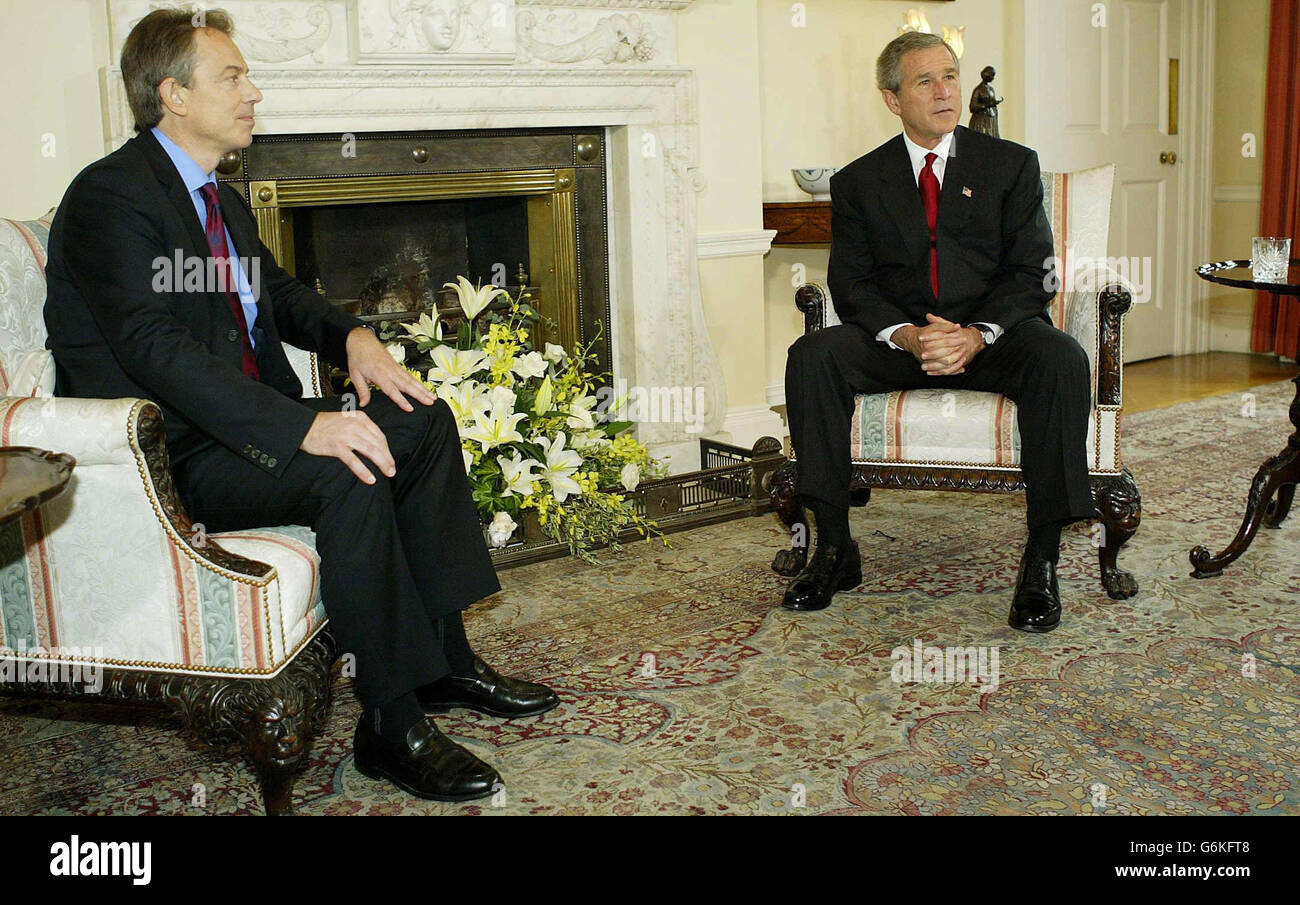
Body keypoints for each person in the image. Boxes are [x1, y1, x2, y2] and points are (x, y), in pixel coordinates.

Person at [43, 7, 557, 802]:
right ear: (173, 94)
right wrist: (305, 425)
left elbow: (274, 294)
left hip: (242, 426)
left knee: (422, 422)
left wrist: (352, 337)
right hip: (171, 453)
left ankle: (445, 662)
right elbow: (154, 348)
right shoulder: (110, 197)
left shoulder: (217, 196)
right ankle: (390, 722)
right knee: (345, 465)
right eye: (233, 76)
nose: (254, 91)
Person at [782, 32, 1093, 632]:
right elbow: (851, 285)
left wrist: (978, 333)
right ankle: (834, 547)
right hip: (905, 344)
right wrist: (904, 335)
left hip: (993, 338)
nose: (945, 90)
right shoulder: (858, 182)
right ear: (893, 99)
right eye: (925, 81)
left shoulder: (1011, 164)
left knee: (1061, 359)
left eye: (949, 75)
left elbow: (1034, 272)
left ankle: (1043, 557)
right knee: (812, 355)